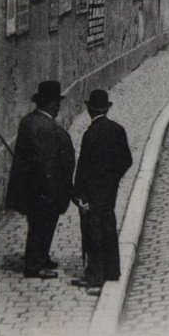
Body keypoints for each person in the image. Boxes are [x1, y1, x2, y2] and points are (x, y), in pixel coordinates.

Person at [5, 80, 75, 279]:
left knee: (40, 224)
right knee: (41, 225)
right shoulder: (46, 128)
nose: (58, 108)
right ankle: (34, 265)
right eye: (57, 104)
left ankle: (42, 256)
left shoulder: (27, 121)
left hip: (29, 187)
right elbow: (46, 163)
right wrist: (51, 190)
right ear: (52, 104)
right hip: (43, 189)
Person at [71, 89, 133, 290]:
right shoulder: (118, 129)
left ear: (89, 110)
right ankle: (112, 270)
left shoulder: (90, 134)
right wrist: (113, 179)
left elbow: (84, 167)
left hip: (93, 192)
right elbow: (127, 160)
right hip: (109, 191)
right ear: (107, 108)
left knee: (93, 232)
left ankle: (95, 276)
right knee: (109, 227)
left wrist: (79, 193)